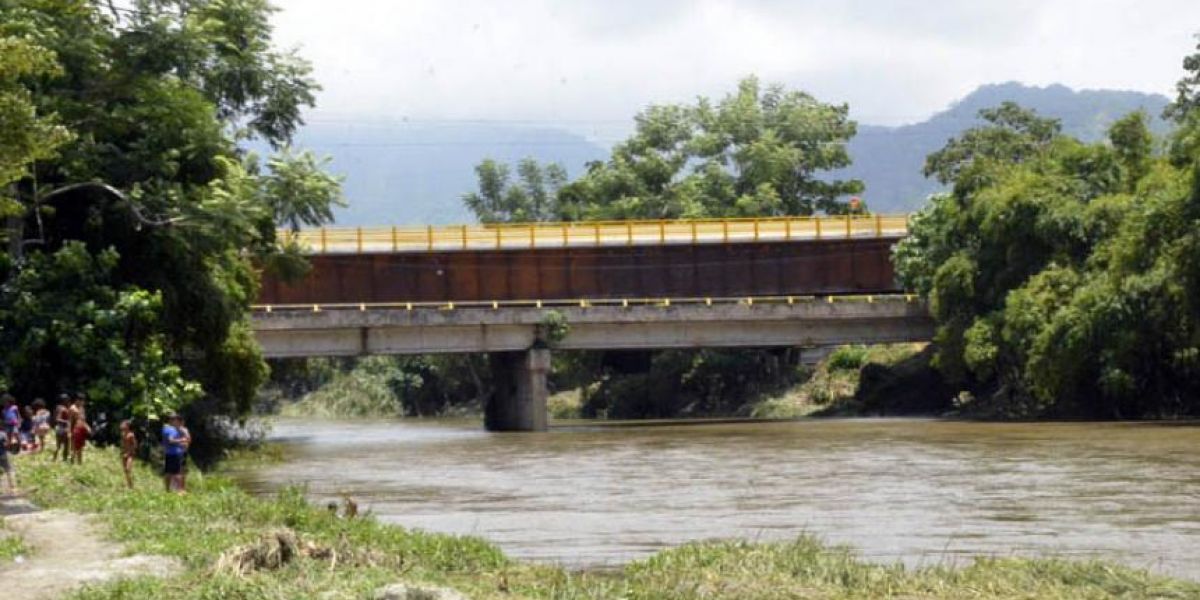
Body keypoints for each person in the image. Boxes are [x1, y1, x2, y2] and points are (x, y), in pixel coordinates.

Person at [161, 415, 186, 493]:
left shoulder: (165, 429)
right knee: (177, 472)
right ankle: (180, 490)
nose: (178, 422)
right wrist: (182, 440)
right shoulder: (172, 429)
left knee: (168, 472)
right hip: (175, 453)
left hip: (168, 453)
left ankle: (167, 490)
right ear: (173, 421)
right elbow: (171, 440)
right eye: (177, 421)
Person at [53, 395, 71, 462]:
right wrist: (67, 422)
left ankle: (55, 459)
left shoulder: (58, 407)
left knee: (60, 445)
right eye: (67, 399)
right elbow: (57, 419)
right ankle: (64, 459)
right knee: (65, 445)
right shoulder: (62, 408)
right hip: (62, 428)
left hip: (59, 428)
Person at [120, 421, 137, 489]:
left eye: (123, 424)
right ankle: (129, 485)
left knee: (128, 469)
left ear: (127, 426)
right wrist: (122, 452)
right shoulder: (123, 434)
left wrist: (129, 453)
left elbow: (135, 445)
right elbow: (123, 444)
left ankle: (131, 485)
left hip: (130, 455)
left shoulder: (131, 435)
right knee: (125, 471)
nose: (121, 425)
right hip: (124, 454)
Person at [0, 428, 16, 495]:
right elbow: (6, 444)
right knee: (9, 470)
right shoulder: (2, 434)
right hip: (3, 454)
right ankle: (13, 489)